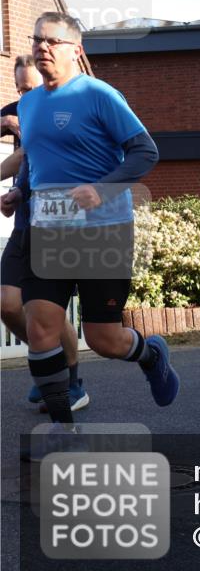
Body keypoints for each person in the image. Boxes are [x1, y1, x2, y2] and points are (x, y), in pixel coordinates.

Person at [0, 12, 178, 440]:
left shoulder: (100, 95)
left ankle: (151, 355)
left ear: (75, 50)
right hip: (49, 231)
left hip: (103, 232)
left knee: (103, 340)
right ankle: (63, 426)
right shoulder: (28, 103)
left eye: (52, 41)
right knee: (41, 323)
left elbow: (145, 152)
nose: (42, 47)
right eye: (37, 39)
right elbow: (38, 162)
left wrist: (102, 187)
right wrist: (20, 192)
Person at [1, 54, 88, 412]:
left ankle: (71, 381)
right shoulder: (22, 109)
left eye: (31, 88)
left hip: (58, 224)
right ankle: (47, 362)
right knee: (7, 304)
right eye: (20, 90)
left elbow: (26, 155)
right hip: (25, 222)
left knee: (49, 312)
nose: (25, 98)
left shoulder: (65, 113)